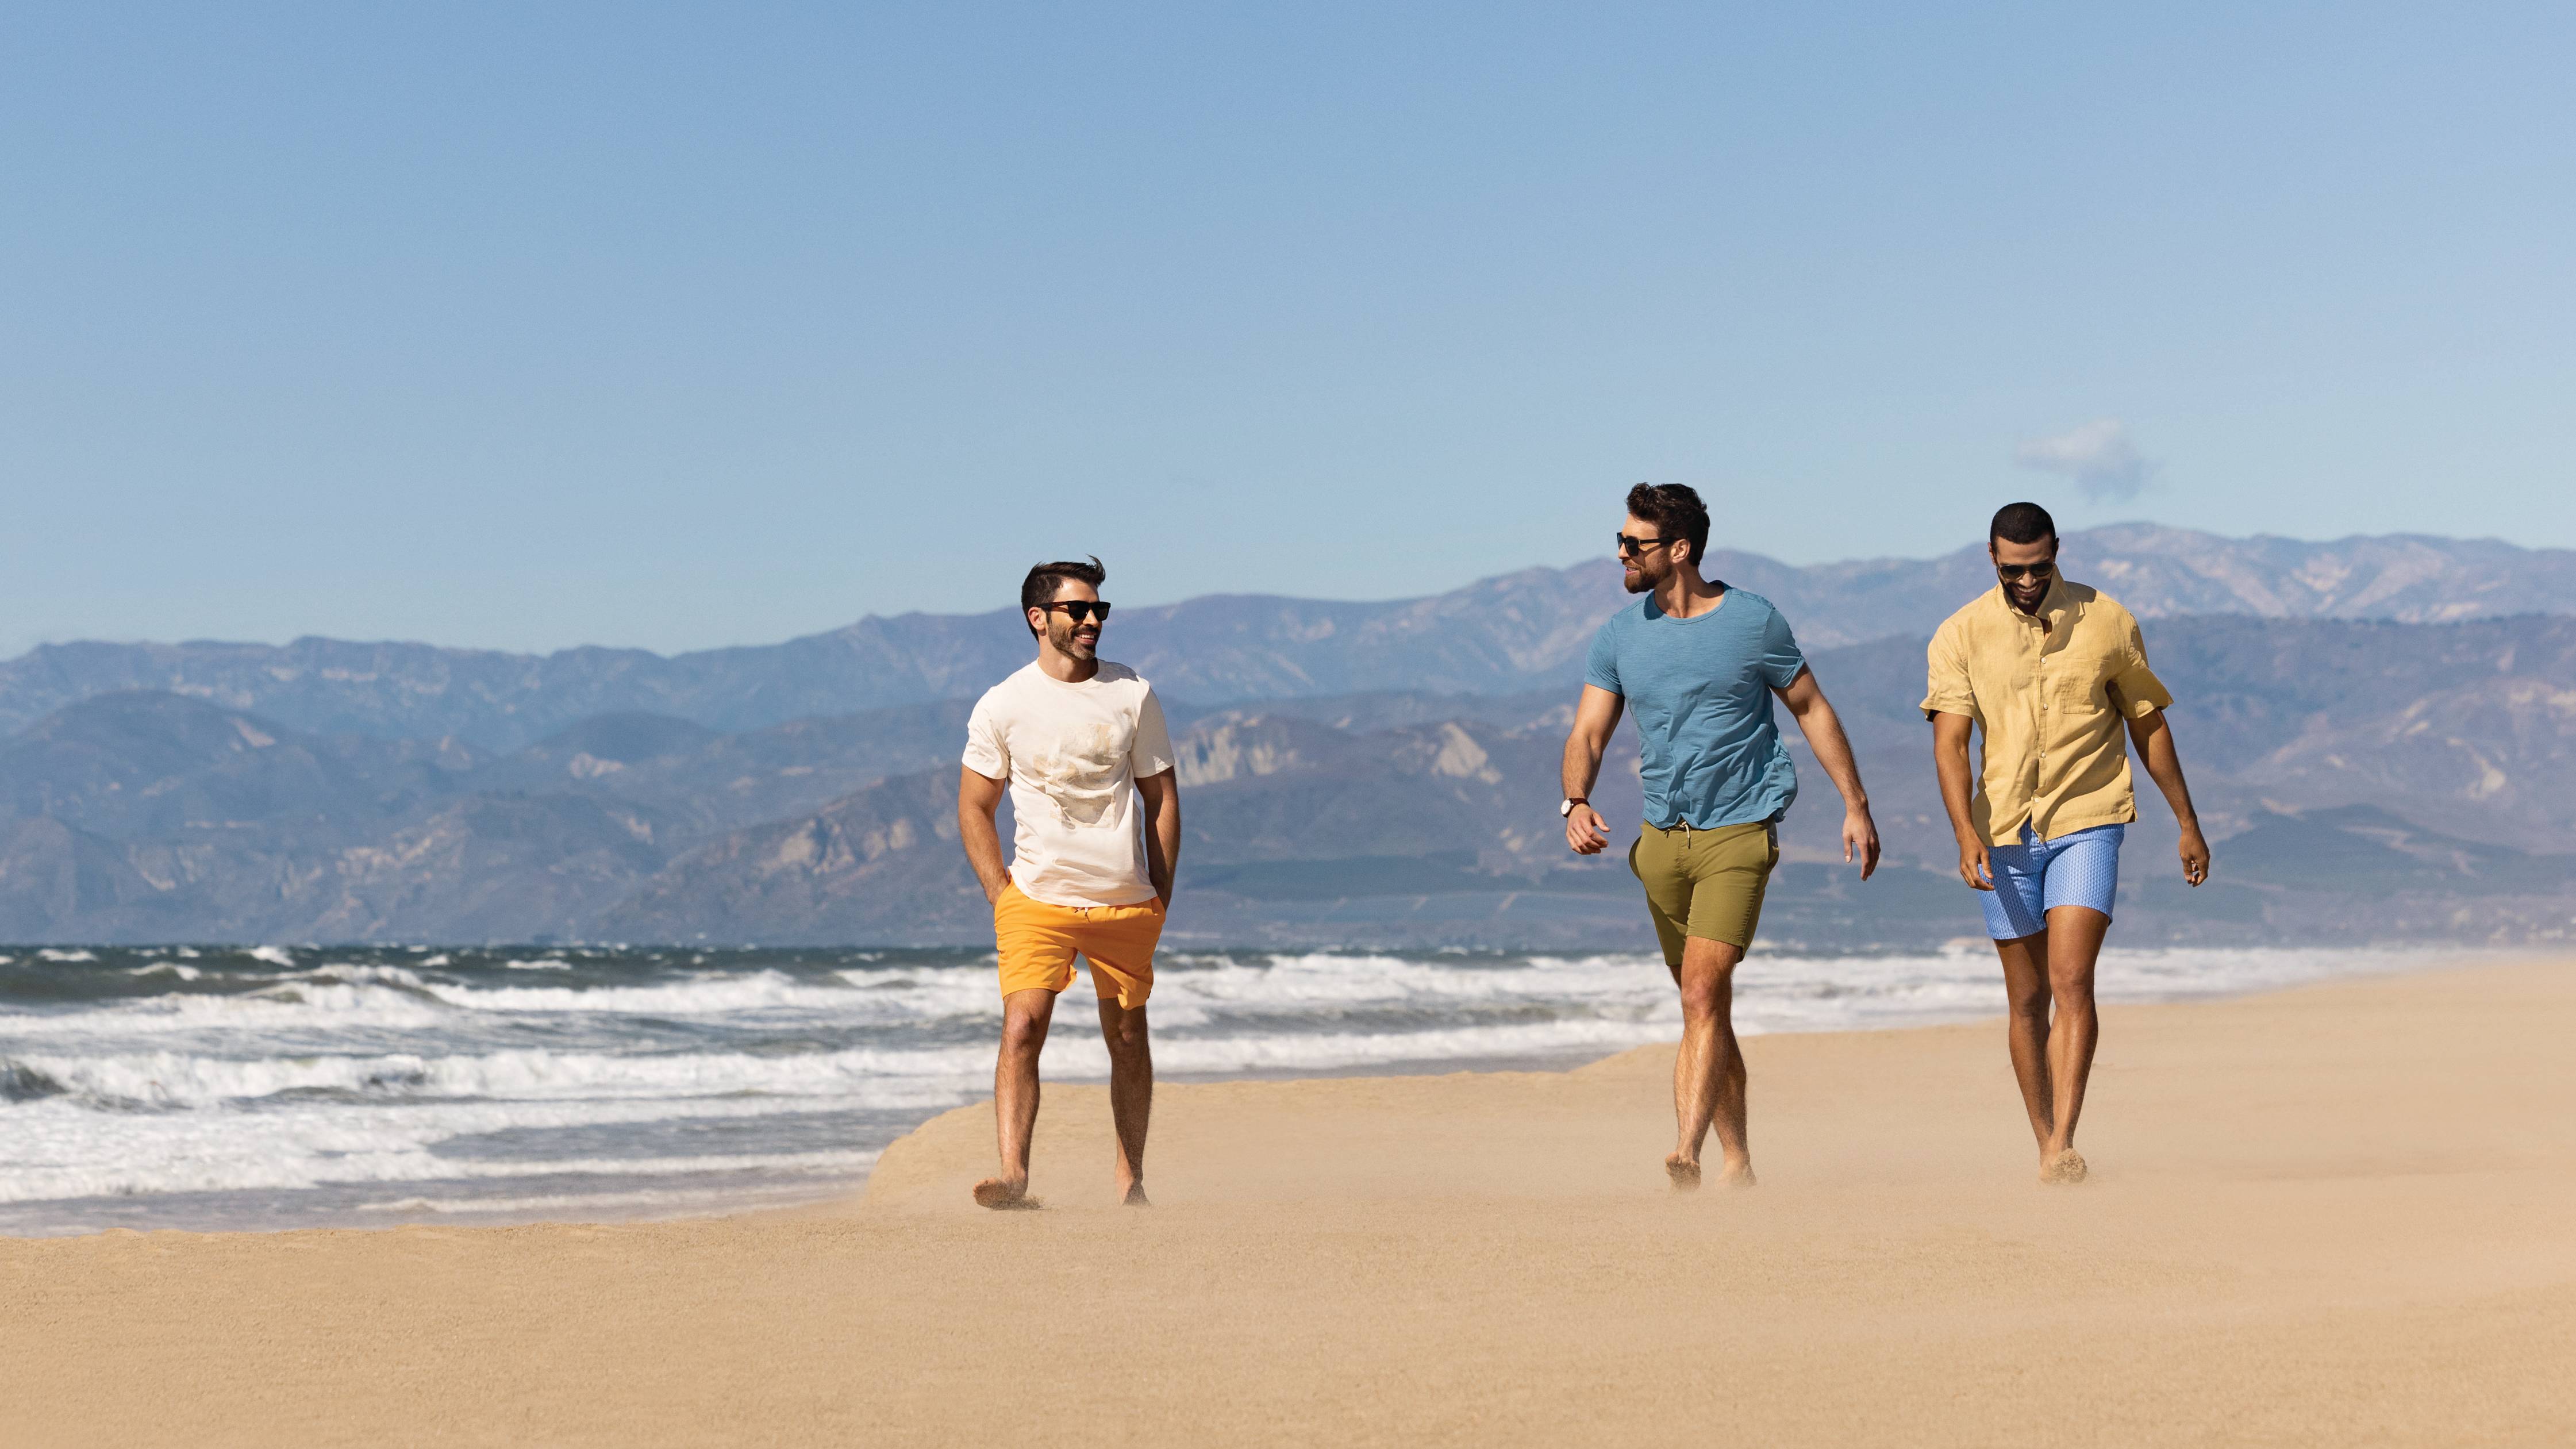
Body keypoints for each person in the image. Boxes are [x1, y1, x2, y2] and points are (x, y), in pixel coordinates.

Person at [1561, 483, 1881, 1190]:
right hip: (1660, 843)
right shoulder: (1620, 634)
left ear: (1678, 551)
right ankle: (1739, 1161)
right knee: (1706, 1006)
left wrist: (1855, 803)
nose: (1620, 553)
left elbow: (1811, 708)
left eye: (1632, 543)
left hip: (1739, 830)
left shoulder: (1753, 622)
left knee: (1702, 995)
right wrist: (1574, 800)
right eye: (1619, 540)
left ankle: (1687, 1152)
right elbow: (1588, 730)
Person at [1921, 502, 2211, 1185]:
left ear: (2059, 552)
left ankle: (2065, 1143)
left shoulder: (2109, 619)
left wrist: (2187, 821)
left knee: (2071, 979)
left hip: (2089, 815)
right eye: (2014, 568)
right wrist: (1965, 833)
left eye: (2040, 566)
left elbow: (2147, 724)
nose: (2027, 580)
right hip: (2004, 831)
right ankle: (2044, 1140)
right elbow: (1950, 746)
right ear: (1991, 558)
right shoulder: (1960, 633)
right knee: (2027, 1001)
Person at [956, 556, 1181, 1209]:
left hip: (1124, 898)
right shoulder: (1002, 704)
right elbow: (974, 805)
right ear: (1038, 619)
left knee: (1128, 1036)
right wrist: (1000, 892)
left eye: (1099, 610)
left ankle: (1130, 1175)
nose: (1092, 621)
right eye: (1078, 610)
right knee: (1023, 1026)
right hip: (1035, 899)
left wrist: (1161, 894)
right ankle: (1014, 1175)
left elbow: (1161, 798)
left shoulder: (1132, 694)